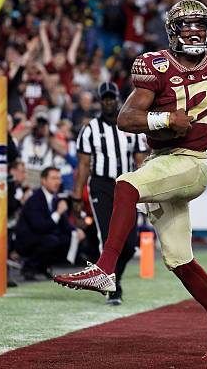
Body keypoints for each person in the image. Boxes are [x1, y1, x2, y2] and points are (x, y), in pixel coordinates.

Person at [55, 0, 207, 360]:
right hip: (164, 161)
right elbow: (126, 117)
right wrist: (164, 120)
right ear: (172, 32)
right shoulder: (155, 64)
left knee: (126, 184)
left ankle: (106, 268)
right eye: (186, 26)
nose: (193, 32)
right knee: (179, 260)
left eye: (200, 26)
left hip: (191, 163)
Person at [71, 81, 148, 305]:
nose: (108, 102)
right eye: (104, 99)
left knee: (130, 243)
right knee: (107, 238)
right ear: (99, 101)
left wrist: (146, 191)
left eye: (111, 98)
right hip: (101, 186)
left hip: (127, 185)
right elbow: (83, 166)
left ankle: (116, 278)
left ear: (118, 99)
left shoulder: (130, 126)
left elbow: (141, 162)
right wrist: (77, 196)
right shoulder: (89, 130)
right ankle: (112, 287)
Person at [14, 167, 85, 280]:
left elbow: (64, 224)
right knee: (52, 241)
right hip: (27, 240)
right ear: (43, 180)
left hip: (45, 236)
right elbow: (40, 227)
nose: (57, 182)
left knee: (68, 238)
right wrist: (58, 212)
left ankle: (43, 266)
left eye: (59, 178)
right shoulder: (35, 199)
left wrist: (75, 231)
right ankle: (29, 267)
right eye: (53, 178)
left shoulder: (57, 198)